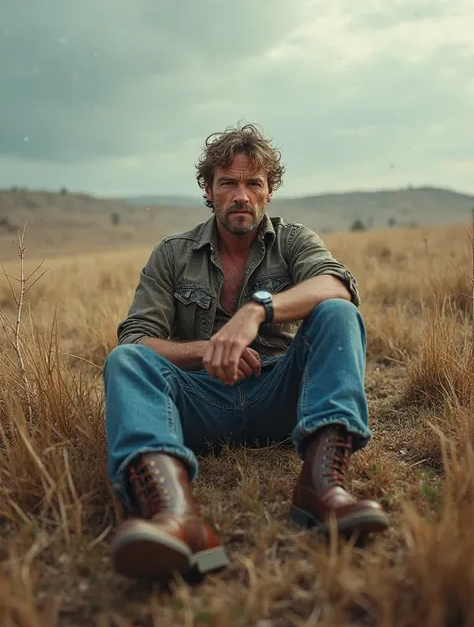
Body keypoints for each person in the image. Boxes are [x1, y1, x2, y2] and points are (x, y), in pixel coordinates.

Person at [103, 123, 389, 582]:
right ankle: (175, 516)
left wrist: (257, 311)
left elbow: (335, 285)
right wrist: (207, 350)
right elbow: (136, 340)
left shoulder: (293, 239)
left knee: (337, 313)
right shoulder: (172, 255)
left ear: (269, 191)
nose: (241, 195)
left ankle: (322, 488)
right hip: (200, 404)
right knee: (125, 362)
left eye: (253, 183)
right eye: (228, 183)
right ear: (208, 190)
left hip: (282, 395)